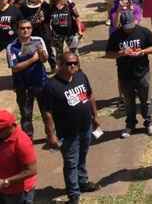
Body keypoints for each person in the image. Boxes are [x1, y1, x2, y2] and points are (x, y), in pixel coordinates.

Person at [41, 51, 101, 203]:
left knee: (82, 157)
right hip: (68, 133)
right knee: (70, 163)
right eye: (69, 63)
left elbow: (90, 95)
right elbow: (47, 112)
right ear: (60, 65)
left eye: (75, 63)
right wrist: (51, 134)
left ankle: (83, 182)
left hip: (85, 127)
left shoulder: (81, 76)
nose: (73, 66)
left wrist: (95, 116)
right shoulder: (51, 86)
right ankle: (74, 195)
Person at [105, 13, 152, 138]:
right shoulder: (116, 35)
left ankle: (149, 122)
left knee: (146, 100)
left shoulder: (144, 32)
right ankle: (130, 125)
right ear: (121, 25)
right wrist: (121, 53)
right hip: (125, 75)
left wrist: (142, 51)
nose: (129, 29)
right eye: (126, 27)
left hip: (142, 72)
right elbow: (108, 53)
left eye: (131, 26)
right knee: (129, 102)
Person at [6, 20, 49, 141]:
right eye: (22, 28)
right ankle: (28, 142)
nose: (26, 30)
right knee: (26, 116)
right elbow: (15, 68)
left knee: (47, 112)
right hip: (23, 86)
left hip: (41, 82)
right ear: (17, 30)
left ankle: (51, 136)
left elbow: (45, 59)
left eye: (28, 28)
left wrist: (41, 54)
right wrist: (34, 59)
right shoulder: (12, 46)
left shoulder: (38, 40)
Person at [0, 109, 38, 204]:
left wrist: (6, 181)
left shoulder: (22, 142)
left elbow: (31, 170)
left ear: (9, 127)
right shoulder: (3, 137)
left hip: (18, 192)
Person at [42, 0, 83, 67]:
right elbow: (46, 23)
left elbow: (77, 17)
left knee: (74, 53)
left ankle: (77, 69)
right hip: (57, 35)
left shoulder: (69, 4)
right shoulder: (49, 8)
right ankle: (61, 70)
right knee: (59, 54)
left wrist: (79, 30)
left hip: (70, 33)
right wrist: (49, 34)